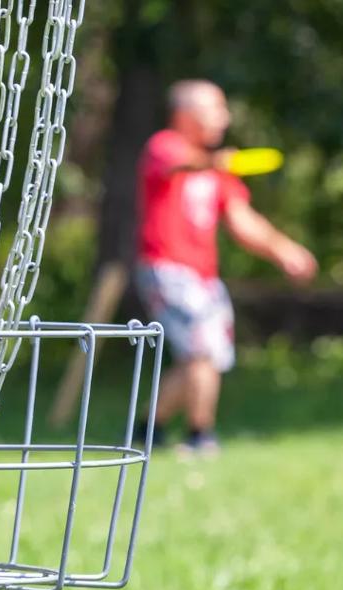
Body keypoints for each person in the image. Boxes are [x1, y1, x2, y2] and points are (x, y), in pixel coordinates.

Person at [135, 79, 318, 454]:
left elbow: (243, 221)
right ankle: (201, 438)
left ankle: (146, 431)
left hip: (204, 275)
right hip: (167, 268)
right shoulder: (164, 146)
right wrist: (214, 162)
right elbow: (175, 165)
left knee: (207, 356)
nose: (225, 117)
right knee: (203, 352)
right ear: (185, 114)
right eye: (215, 108)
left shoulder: (218, 171)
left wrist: (285, 250)